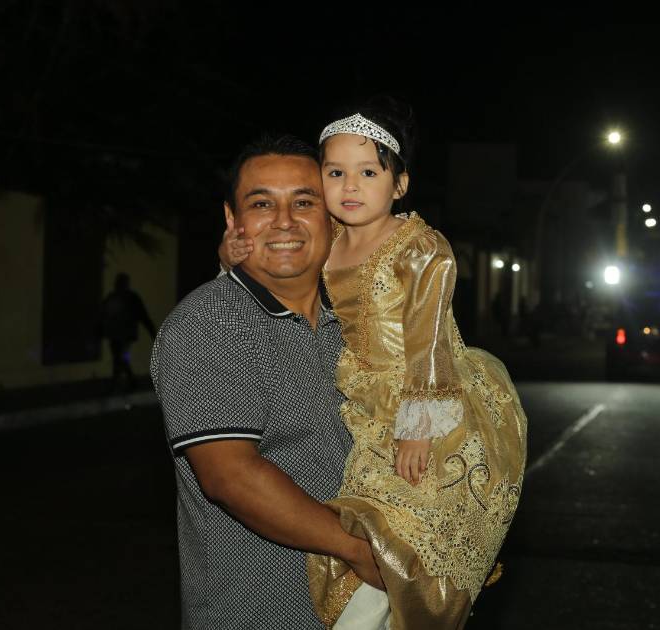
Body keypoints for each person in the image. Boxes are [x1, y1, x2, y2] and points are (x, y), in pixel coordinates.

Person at [221, 101, 527, 629]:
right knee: (367, 537)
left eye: (368, 173)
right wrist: (233, 255)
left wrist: (419, 427)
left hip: (425, 404)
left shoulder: (420, 248)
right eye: (335, 173)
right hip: (365, 407)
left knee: (410, 538)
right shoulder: (331, 239)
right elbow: (278, 265)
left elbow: (430, 341)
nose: (350, 186)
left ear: (400, 184)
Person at [150, 135, 383, 629]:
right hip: (258, 613)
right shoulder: (210, 324)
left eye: (304, 202)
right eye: (261, 204)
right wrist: (361, 551)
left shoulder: (357, 324)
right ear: (232, 220)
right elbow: (230, 476)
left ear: (332, 217)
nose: (284, 221)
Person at [100, 273, 156, 390]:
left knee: (120, 356)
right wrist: (153, 332)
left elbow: (143, 316)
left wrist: (153, 332)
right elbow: (144, 316)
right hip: (121, 334)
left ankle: (121, 381)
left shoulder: (121, 297)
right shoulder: (128, 297)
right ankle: (128, 380)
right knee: (121, 357)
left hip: (122, 334)